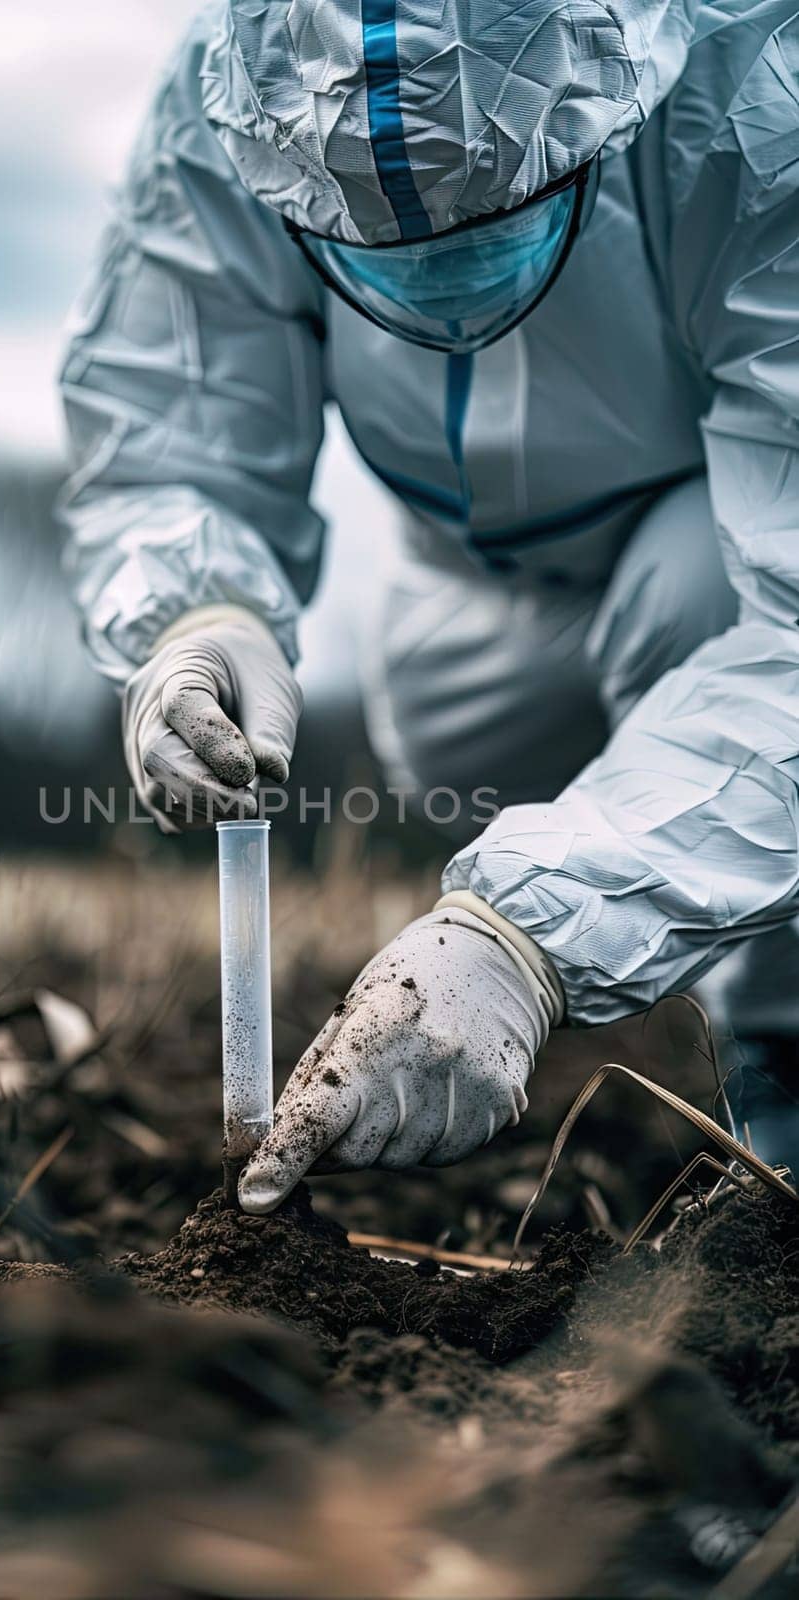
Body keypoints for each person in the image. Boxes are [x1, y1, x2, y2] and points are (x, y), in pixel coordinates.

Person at [59, 0, 799, 1205]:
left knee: (700, 594)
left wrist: (524, 942)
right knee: (455, 734)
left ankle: (778, 1040)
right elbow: (168, 426)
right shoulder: (241, 96)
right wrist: (198, 614)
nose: (442, 286)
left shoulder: (753, 88)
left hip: (715, 549)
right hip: (466, 594)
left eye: (490, 224)